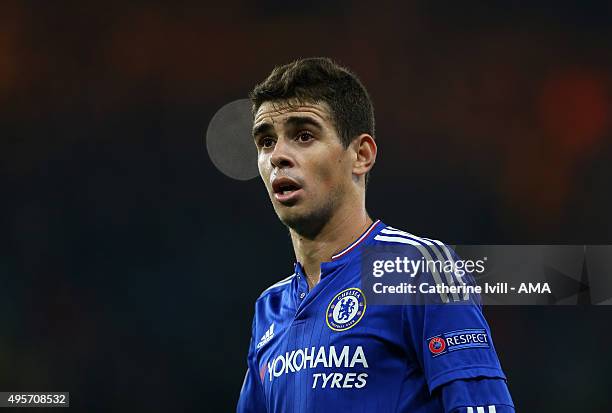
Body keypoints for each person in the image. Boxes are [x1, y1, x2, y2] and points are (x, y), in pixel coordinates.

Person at [237, 57, 514, 413]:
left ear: (361, 155)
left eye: (304, 135)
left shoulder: (418, 270)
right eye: (265, 141)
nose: (278, 156)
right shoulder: (269, 308)